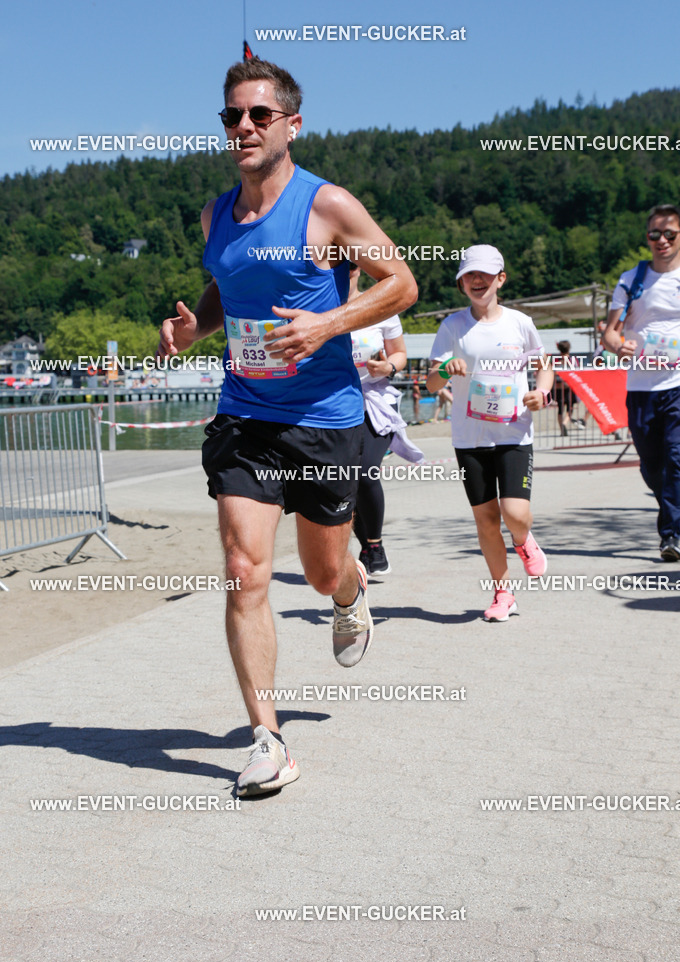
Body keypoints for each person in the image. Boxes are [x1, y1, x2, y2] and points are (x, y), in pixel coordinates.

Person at [157, 57, 417, 795]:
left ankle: (348, 592)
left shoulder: (327, 205)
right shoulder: (215, 214)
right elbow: (226, 287)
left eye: (257, 115)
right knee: (244, 572)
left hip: (324, 420)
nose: (242, 126)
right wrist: (195, 327)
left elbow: (401, 281)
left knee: (321, 570)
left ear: (291, 125)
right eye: (231, 116)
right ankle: (267, 739)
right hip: (245, 414)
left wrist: (328, 323)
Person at [426, 244, 553, 621]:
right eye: (469, 275)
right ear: (462, 282)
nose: (476, 281)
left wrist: (542, 392)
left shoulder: (519, 323)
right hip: (469, 438)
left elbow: (545, 367)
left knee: (514, 514)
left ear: (501, 279)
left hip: (514, 433)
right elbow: (431, 383)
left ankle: (522, 539)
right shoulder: (451, 326)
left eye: (484, 274)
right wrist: (447, 370)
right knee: (485, 520)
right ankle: (503, 593)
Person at [603, 203, 680, 561]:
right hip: (641, 387)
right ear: (647, 237)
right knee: (653, 464)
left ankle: (672, 535)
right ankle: (672, 502)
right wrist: (619, 346)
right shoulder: (631, 279)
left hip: (679, 383)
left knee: (678, 458)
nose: (662, 240)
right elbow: (609, 333)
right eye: (655, 234)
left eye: (669, 234)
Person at [348, 263, 423, 575]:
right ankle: (364, 545)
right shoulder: (315, 308)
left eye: (351, 262)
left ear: (360, 267)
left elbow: (400, 354)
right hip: (330, 403)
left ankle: (375, 543)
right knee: (343, 480)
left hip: (373, 401)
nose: (345, 268)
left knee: (365, 472)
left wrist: (388, 367)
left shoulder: (380, 306)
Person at [554, 340, 579, 435]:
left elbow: (552, 371)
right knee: (570, 408)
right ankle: (565, 423)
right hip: (569, 386)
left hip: (558, 387)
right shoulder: (572, 360)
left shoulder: (556, 360)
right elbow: (577, 371)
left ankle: (561, 429)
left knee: (560, 409)